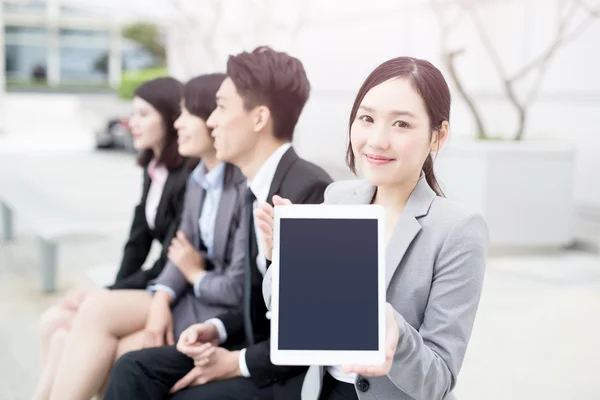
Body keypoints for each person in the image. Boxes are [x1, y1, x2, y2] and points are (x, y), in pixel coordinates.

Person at [104, 46, 333, 400]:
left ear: (258, 119)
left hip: (283, 372)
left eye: (222, 108)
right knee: (133, 367)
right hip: (247, 342)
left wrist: (236, 362)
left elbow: (313, 330)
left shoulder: (307, 188)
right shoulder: (253, 185)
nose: (211, 121)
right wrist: (215, 329)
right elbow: (257, 301)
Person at [255, 57, 489, 400]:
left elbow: (439, 379)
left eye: (402, 125)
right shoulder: (337, 198)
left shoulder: (458, 230)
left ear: (438, 136)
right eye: (366, 119)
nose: (377, 140)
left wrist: (395, 332)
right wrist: (282, 262)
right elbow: (285, 314)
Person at [37, 73, 249, 400]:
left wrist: (181, 281)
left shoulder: (231, 183)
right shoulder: (193, 177)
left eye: (185, 114)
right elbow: (151, 246)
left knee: (110, 340)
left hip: (206, 306)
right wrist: (159, 294)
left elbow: (188, 261)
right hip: (180, 292)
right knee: (64, 327)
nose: (180, 123)